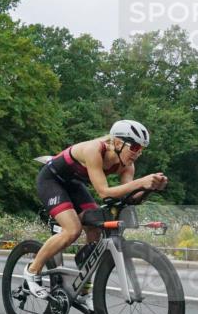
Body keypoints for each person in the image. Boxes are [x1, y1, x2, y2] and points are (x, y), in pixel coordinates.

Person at [24, 120, 166, 304]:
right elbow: (104, 192)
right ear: (117, 143)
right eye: (135, 147)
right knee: (72, 230)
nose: (138, 153)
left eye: (141, 149)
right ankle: (32, 271)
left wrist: (151, 188)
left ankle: (83, 290)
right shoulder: (94, 150)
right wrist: (141, 182)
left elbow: (129, 197)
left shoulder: (127, 165)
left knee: (96, 229)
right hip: (52, 181)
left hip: (74, 185)